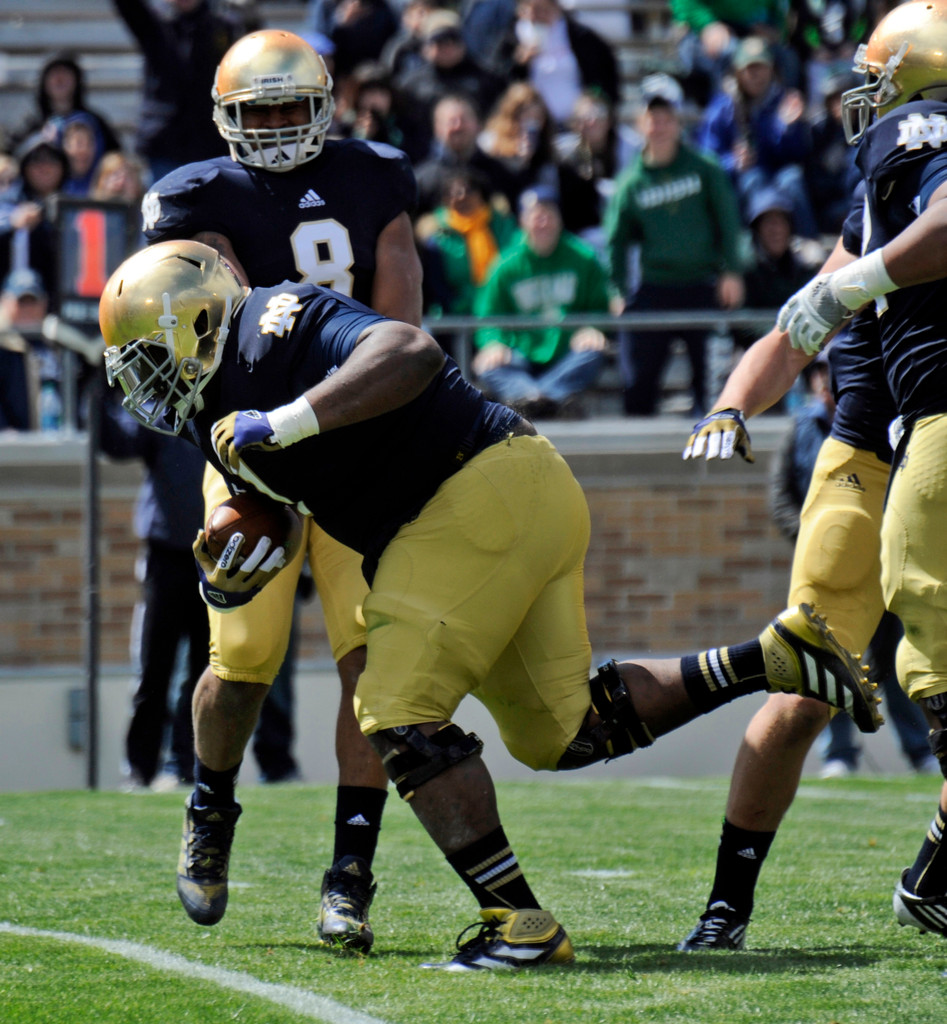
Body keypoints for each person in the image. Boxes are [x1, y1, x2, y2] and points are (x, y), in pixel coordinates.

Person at [99, 236, 880, 971]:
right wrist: (225, 581)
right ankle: (774, 657)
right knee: (564, 732)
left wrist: (290, 417)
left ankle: (519, 924)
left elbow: (409, 349)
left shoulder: (274, 323)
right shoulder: (209, 412)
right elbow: (269, 509)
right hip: (509, 497)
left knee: (394, 707)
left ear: (195, 322)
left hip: (469, 493)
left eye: (144, 358)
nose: (141, 383)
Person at [140, 29, 422, 950]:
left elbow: (401, 313)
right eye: (254, 112)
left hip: (352, 449)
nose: (270, 129)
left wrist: (363, 417)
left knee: (369, 670)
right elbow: (189, 335)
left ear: (325, 104)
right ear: (224, 116)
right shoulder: (195, 197)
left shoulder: (376, 174)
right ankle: (210, 803)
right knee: (240, 667)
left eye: (288, 108)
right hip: (255, 452)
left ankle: (351, 875)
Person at [771, 0, 947, 938]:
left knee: (931, 654)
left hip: (935, 427)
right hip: (895, 434)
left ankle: (935, 878)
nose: (866, 99)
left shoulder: (918, 128)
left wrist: (855, 281)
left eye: (876, 79)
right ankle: (932, 875)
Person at [603, 77, 745, 417]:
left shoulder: (704, 168)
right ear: (641, 124)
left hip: (703, 285)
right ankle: (636, 449)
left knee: (711, 384)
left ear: (678, 123)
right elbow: (616, 241)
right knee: (639, 382)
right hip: (656, 287)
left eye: (667, 119)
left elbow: (727, 221)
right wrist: (617, 289)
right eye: (653, 119)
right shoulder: (631, 182)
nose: (660, 127)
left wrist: (732, 272)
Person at [99, 392, 208, 791]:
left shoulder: (222, 404)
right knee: (153, 671)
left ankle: (185, 766)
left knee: (203, 674)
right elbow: (117, 443)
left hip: (212, 558)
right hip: (165, 557)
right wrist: (95, 389)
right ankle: (140, 769)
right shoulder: (163, 408)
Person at [472, 184, 611, 418]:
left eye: (549, 214)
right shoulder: (505, 264)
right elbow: (487, 316)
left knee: (594, 353)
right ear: (522, 221)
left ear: (560, 218)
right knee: (487, 365)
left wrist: (593, 328)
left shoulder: (583, 257)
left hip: (568, 351)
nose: (543, 221)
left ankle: (533, 400)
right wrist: (493, 342)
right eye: (536, 215)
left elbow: (599, 305)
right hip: (520, 353)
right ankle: (549, 399)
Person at [111, 0, 248, 182]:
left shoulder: (223, 24)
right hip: (165, 142)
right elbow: (128, 6)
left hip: (211, 141)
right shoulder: (155, 22)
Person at [695, 35, 817, 239]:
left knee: (793, 179)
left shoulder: (785, 101)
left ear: (771, 69)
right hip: (743, 184)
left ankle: (807, 243)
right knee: (752, 180)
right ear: (737, 72)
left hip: (779, 178)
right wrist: (733, 163)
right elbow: (705, 159)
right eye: (749, 69)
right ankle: (748, 246)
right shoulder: (722, 107)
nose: (756, 75)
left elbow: (799, 155)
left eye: (761, 67)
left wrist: (786, 129)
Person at [394, 8, 507, 162]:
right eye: (439, 41)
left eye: (453, 40)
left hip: (478, 155)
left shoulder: (487, 78)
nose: (447, 47)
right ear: (426, 47)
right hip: (425, 157)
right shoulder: (410, 84)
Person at [488, 0, 619, 129]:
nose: (535, 17)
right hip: (530, 128)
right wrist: (518, 63)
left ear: (556, 7)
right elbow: (498, 82)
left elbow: (604, 77)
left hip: (576, 126)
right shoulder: (512, 39)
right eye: (529, 10)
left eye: (542, 10)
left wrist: (593, 101)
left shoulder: (582, 37)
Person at [416, 166, 519, 319]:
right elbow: (437, 287)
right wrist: (467, 306)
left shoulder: (503, 224)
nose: (462, 197)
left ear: (482, 194)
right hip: (458, 318)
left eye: (469, 190)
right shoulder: (438, 236)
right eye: (453, 193)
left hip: (503, 310)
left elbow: (515, 265)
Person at [412, 92, 520, 215]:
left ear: (478, 125)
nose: (458, 126)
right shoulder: (421, 181)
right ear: (437, 128)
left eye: (463, 120)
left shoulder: (502, 174)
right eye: (451, 121)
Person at [8, 52, 122, 157]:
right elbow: (9, 155)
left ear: (77, 81)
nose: (59, 80)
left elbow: (115, 158)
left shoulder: (95, 123)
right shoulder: (31, 125)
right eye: (53, 75)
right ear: (43, 83)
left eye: (66, 74)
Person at [0, 268, 46, 431]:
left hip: (54, 442)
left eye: (31, 302)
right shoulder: (3, 348)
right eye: (21, 302)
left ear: (43, 303)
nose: (27, 309)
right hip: (13, 449)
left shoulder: (56, 346)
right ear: (5, 302)